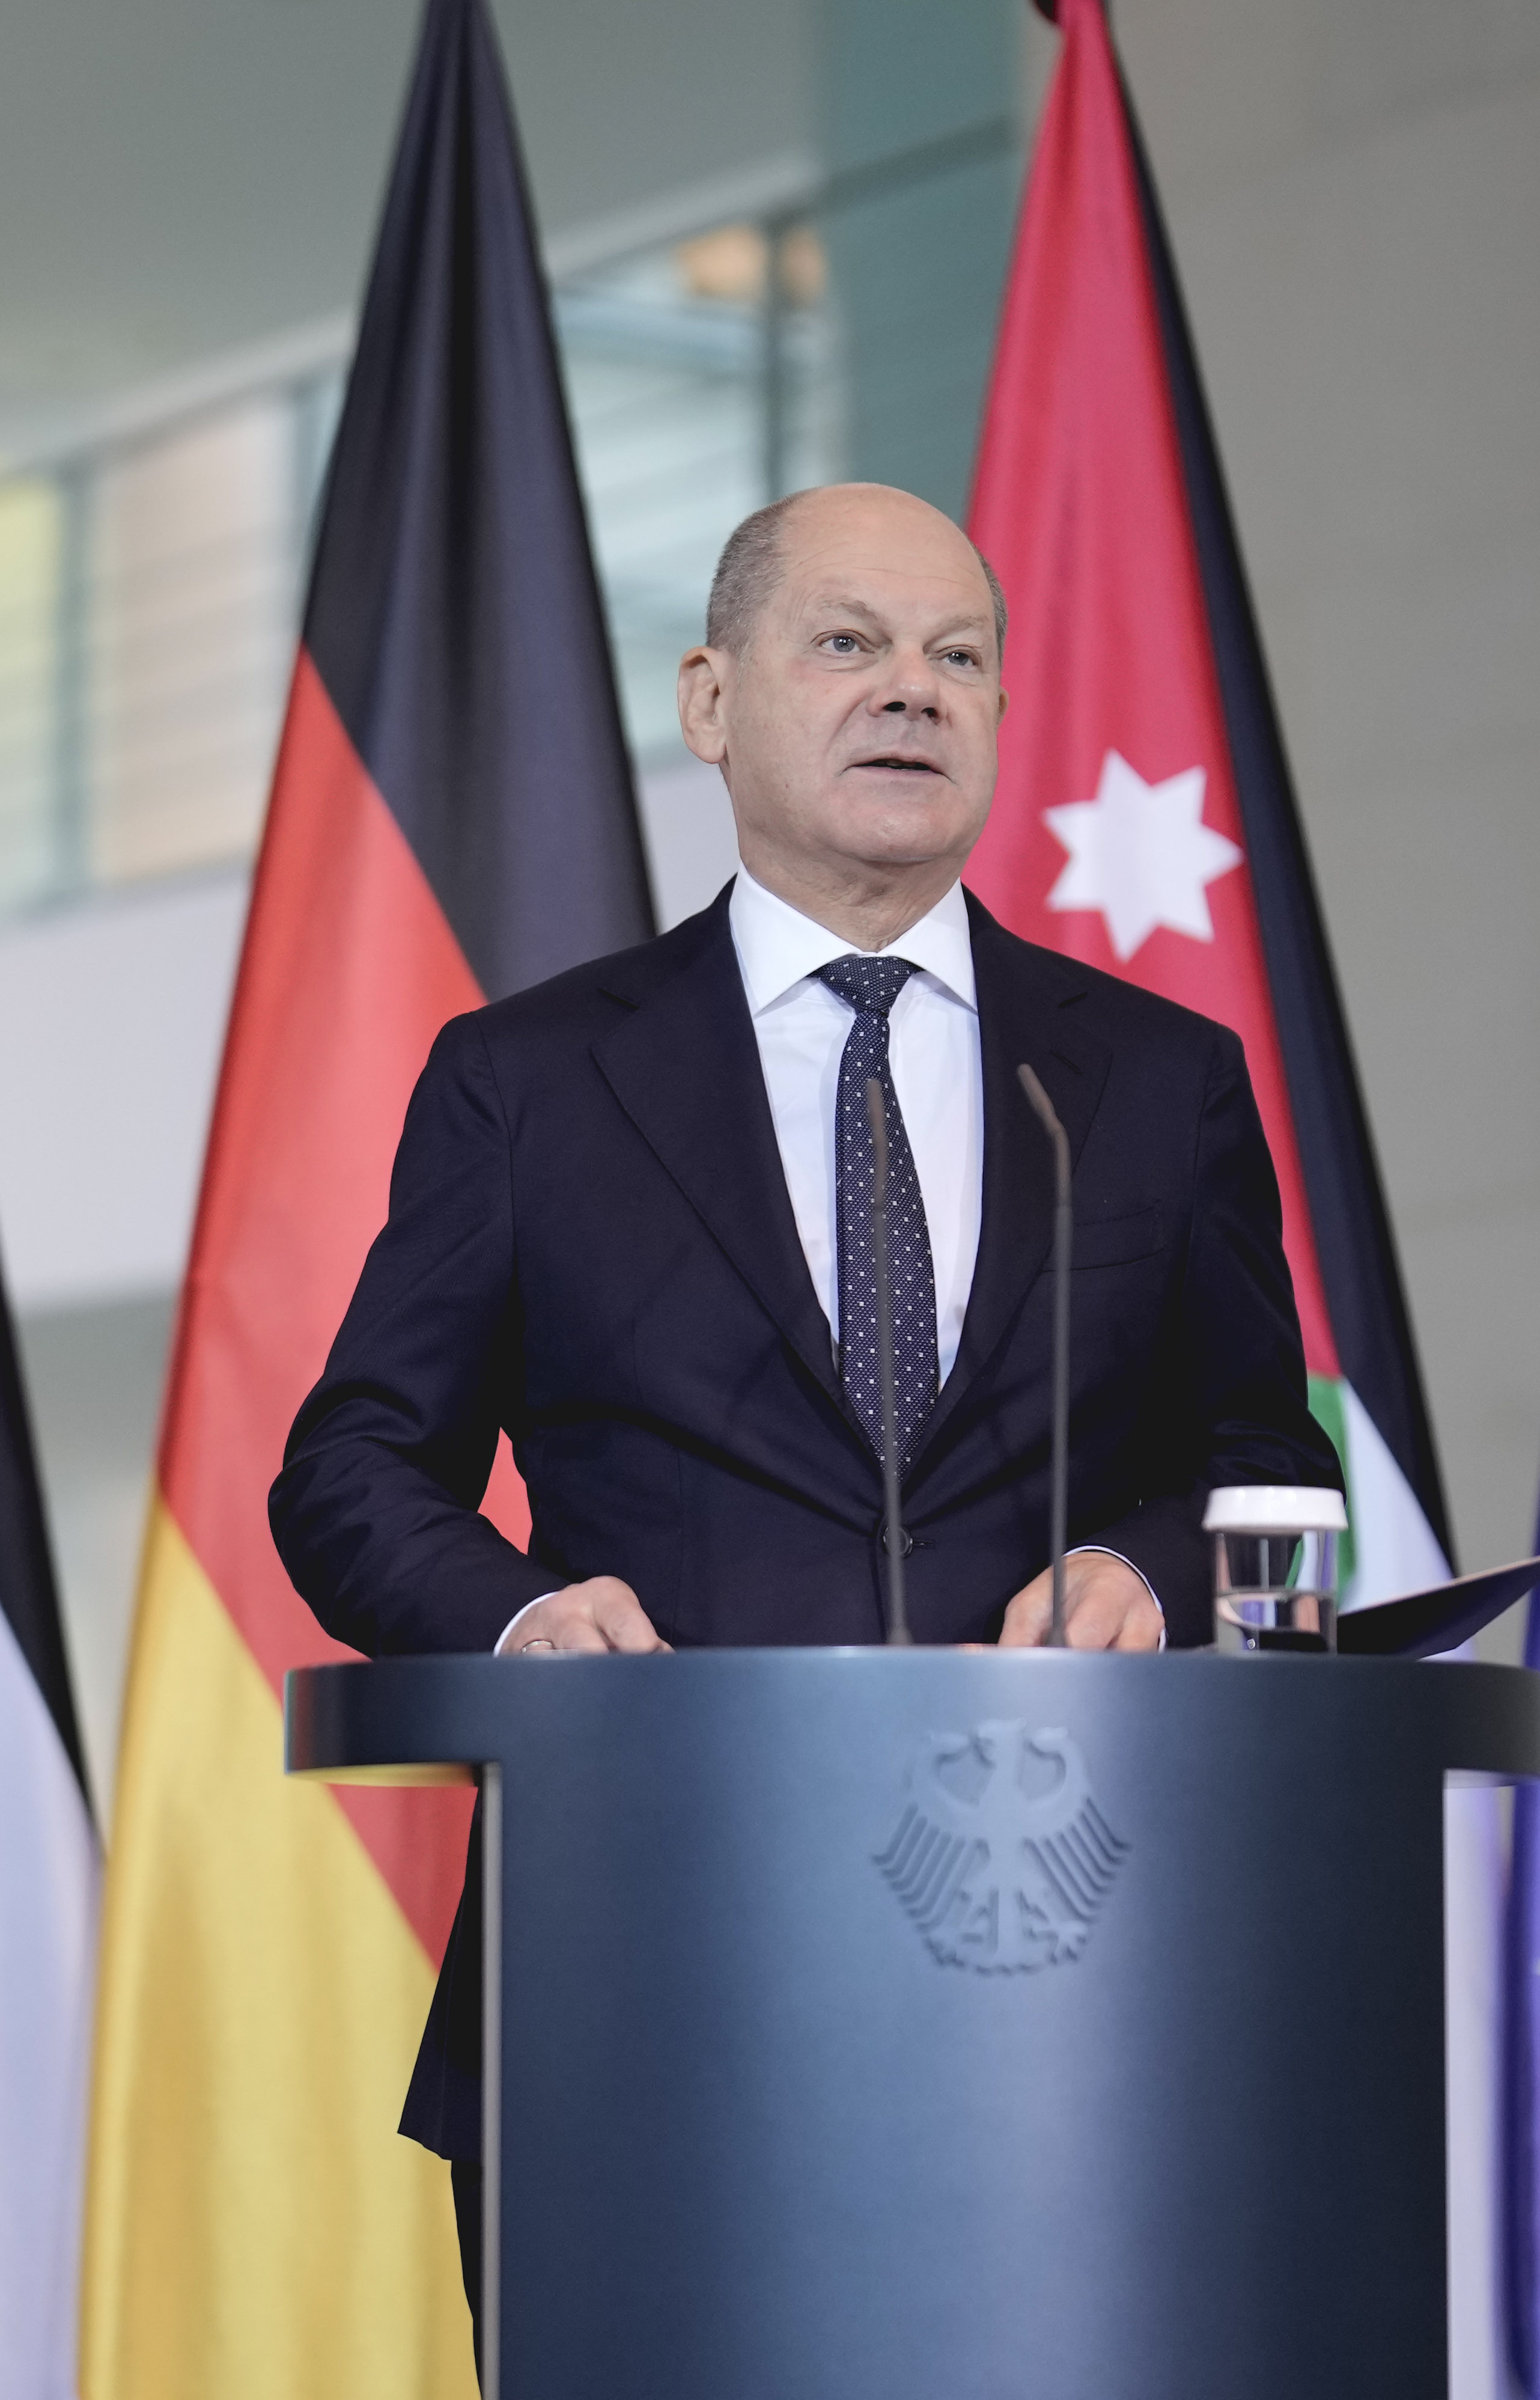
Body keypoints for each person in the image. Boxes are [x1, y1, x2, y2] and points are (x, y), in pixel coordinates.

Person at [265, 482, 1340, 2285]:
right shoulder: (526, 1084)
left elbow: (1262, 1455)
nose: (911, 690)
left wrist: (1151, 1572)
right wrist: (527, 1624)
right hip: (643, 1963)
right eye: (846, 643)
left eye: (958, 657)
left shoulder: (1153, 1080)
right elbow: (353, 1465)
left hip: (1078, 1974)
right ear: (710, 702)